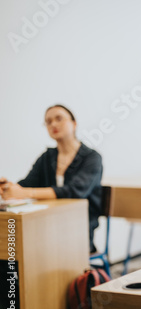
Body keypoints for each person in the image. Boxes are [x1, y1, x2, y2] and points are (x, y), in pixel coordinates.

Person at [0, 104, 103, 253]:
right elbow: (26, 184)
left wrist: (26, 193)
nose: (53, 124)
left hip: (78, 228)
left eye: (59, 119)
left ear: (74, 124)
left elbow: (74, 191)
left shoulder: (92, 158)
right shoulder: (47, 157)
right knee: (12, 245)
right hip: (46, 223)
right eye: (48, 122)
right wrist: (8, 187)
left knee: (27, 247)